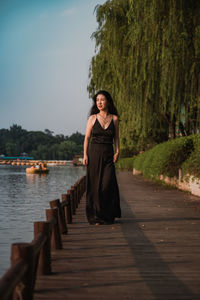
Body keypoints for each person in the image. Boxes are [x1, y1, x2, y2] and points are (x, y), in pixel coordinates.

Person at [83, 90, 121, 225]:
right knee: (95, 186)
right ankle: (96, 216)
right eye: (97, 100)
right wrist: (85, 155)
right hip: (94, 154)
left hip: (108, 154)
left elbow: (116, 137)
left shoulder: (115, 119)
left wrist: (117, 151)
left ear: (108, 101)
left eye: (102, 99)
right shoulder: (92, 118)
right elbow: (87, 138)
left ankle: (107, 214)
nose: (99, 102)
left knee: (107, 184)